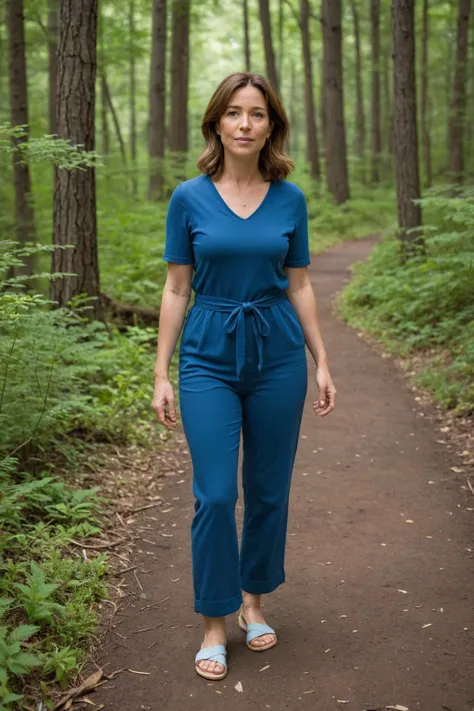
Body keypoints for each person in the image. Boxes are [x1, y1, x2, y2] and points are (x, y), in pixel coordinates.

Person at [152, 71, 336, 681]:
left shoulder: (291, 199)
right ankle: (214, 620)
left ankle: (254, 603)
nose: (245, 124)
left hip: (277, 352)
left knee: (267, 489)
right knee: (214, 493)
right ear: (216, 123)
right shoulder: (189, 197)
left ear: (271, 127)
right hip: (207, 351)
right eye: (234, 113)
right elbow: (177, 286)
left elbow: (300, 283)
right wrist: (161, 372)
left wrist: (322, 361)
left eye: (257, 114)